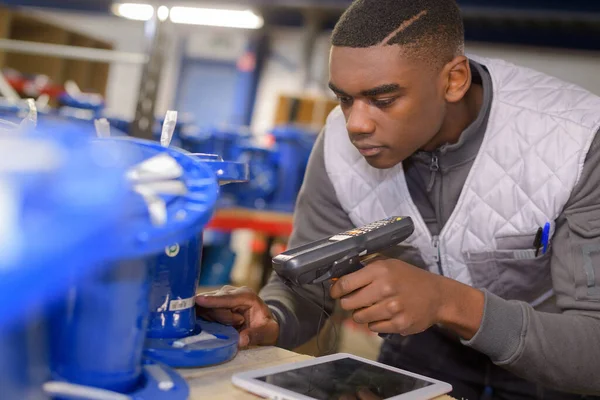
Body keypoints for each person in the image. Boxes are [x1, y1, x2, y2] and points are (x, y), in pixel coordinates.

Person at [195, 0, 600, 398]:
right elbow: (306, 287)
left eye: (384, 100)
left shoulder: (574, 141)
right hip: (418, 363)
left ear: (454, 80)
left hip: (544, 375)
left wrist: (447, 301)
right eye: (344, 98)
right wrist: (275, 318)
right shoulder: (338, 145)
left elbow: (593, 349)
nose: (355, 124)